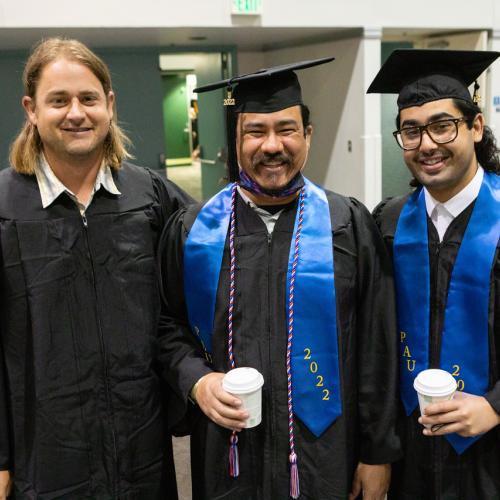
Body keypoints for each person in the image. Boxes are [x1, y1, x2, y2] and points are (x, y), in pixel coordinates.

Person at [158, 58, 401, 499]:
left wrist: (377, 452)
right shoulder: (194, 232)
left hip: (325, 456)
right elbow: (166, 326)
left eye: (287, 129)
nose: (272, 145)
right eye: (255, 131)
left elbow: (376, 344)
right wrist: (196, 380)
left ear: (308, 135)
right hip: (227, 454)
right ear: (235, 139)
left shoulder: (346, 225)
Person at [0, 37, 191, 499]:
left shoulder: (150, 196)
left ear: (109, 104)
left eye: (88, 98)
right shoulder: (5, 206)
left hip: (139, 437)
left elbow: (210, 273)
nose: (76, 113)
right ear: (31, 108)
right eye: (58, 101)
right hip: (44, 448)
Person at [368, 49, 500, 499]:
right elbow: (371, 343)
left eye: (442, 125)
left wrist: (496, 406)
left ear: (476, 127)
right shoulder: (385, 223)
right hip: (411, 450)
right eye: (411, 130)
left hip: (492, 451)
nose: (426, 144)